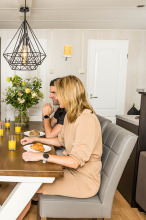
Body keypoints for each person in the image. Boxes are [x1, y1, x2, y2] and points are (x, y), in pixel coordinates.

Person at [17, 75, 102, 219]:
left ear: (68, 94)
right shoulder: (71, 115)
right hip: (71, 171)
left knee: (28, 186)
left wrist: (42, 155)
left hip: (83, 180)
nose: (54, 97)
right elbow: (60, 141)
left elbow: (75, 161)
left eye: (58, 93)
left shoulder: (85, 119)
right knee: (29, 177)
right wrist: (34, 139)